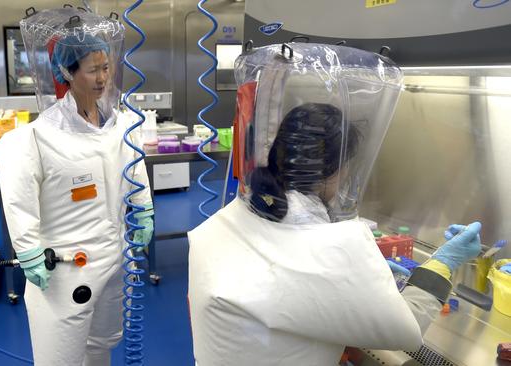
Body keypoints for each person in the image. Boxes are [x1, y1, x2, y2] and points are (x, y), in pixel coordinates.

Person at [188, 43, 482, 365]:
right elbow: (405, 329)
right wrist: (444, 262)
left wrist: (361, 276)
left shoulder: (240, 212)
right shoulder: (323, 243)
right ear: (334, 170)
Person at [0, 9, 153, 366]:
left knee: (102, 345)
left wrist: (143, 209)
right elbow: (19, 204)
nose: (102, 78)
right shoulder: (35, 138)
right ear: (67, 73)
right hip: (64, 270)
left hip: (113, 261)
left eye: (106, 67)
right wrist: (28, 251)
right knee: (61, 356)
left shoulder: (121, 127)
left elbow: (134, 170)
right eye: (92, 69)